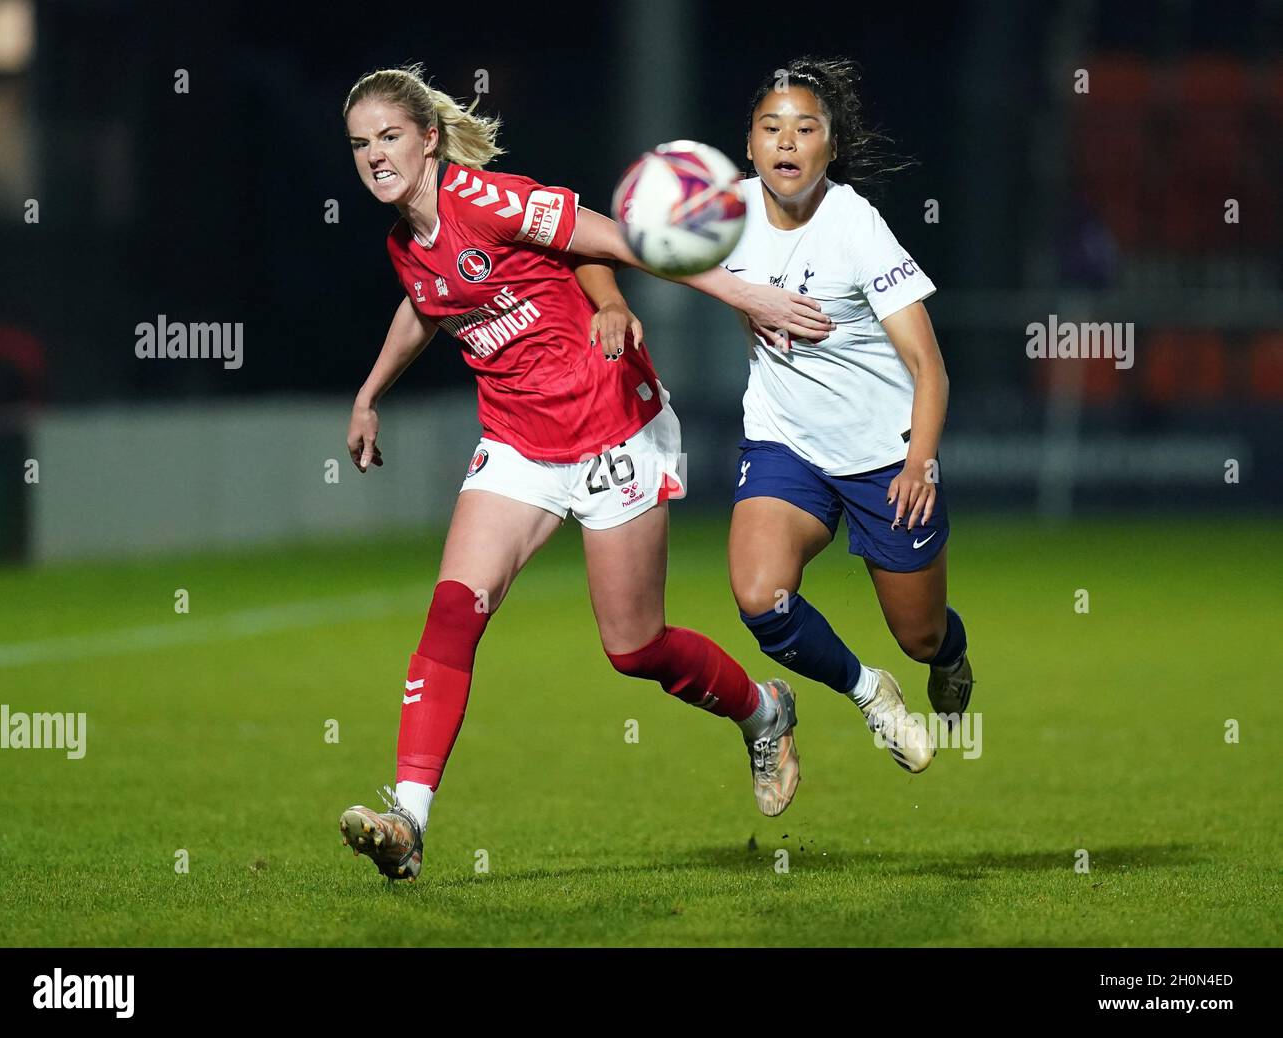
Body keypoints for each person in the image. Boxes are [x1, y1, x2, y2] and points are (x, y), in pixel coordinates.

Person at [337, 65, 834, 881]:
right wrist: (368, 394)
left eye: (390, 137)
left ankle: (762, 709)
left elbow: (622, 240)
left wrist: (744, 295)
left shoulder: (487, 201)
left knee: (634, 647)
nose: (375, 156)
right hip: (518, 443)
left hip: (613, 429)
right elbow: (426, 304)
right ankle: (409, 822)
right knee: (454, 611)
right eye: (361, 144)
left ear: (428, 138)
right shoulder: (405, 241)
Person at [720, 57, 974, 774]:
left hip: (885, 455)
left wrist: (921, 459)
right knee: (759, 597)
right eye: (772, 128)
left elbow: (929, 367)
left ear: (830, 147)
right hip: (786, 444)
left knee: (918, 635)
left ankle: (948, 655)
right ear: (749, 143)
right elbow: (623, 243)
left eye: (806, 129)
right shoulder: (722, 213)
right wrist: (618, 303)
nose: (787, 143)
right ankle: (871, 695)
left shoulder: (854, 226)